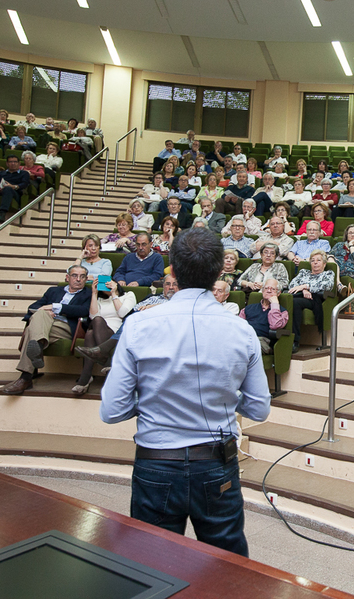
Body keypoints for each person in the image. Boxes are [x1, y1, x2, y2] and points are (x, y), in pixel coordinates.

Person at [100, 228, 270, 556]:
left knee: (152, 566)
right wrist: (224, 396)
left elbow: (112, 410)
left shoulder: (138, 325)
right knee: (228, 567)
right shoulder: (243, 331)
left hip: (156, 464)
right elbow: (259, 409)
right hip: (216, 465)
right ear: (220, 270)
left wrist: (150, 400)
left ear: (172, 271)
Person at [0, 265, 92, 395]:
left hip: (66, 327)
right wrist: (45, 312)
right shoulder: (53, 291)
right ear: (67, 277)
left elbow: (84, 311)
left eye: (82, 277)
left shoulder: (88, 293)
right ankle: (36, 346)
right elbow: (33, 307)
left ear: (86, 279)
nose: (78, 279)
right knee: (39, 316)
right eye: (74, 276)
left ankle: (26, 377)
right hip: (45, 325)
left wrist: (55, 307)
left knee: (34, 327)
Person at [72, 278, 137, 396]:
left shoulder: (128, 295)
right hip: (99, 327)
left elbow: (123, 313)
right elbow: (93, 316)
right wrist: (94, 293)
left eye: (108, 283)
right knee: (97, 321)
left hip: (115, 332)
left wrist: (114, 294)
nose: (106, 285)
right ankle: (106, 363)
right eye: (103, 284)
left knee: (90, 334)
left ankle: (85, 378)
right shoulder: (100, 300)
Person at [288, 249, 336, 352]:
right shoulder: (303, 272)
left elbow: (327, 286)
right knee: (286, 300)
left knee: (294, 303)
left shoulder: (328, 274)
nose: (315, 262)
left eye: (318, 260)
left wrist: (306, 286)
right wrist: (304, 289)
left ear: (324, 263)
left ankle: (295, 341)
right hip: (299, 295)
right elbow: (292, 285)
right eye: (313, 260)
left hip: (315, 299)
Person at [240, 278, 289, 353]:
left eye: (273, 289)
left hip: (264, 342)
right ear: (262, 291)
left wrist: (274, 305)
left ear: (278, 293)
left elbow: (275, 326)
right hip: (246, 339)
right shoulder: (248, 308)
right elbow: (239, 325)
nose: (269, 291)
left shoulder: (283, 312)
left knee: (250, 345)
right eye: (266, 288)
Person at [0, 155, 31, 222]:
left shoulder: (24, 173)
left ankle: (2, 213)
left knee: (8, 188)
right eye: (10, 162)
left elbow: (24, 184)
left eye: (15, 162)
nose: (13, 163)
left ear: (19, 163)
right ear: (7, 163)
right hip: (0, 190)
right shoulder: (0, 173)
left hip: (14, 192)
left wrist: (13, 186)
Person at [329, 225, 354, 298]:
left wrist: (351, 245)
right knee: (329, 258)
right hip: (335, 272)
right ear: (346, 235)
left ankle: (339, 285)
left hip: (350, 273)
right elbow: (328, 256)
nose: (352, 234)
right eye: (350, 233)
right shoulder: (339, 245)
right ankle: (339, 284)